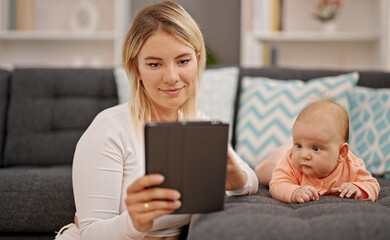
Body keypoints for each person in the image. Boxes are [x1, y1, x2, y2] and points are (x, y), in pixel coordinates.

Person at [55, 1, 258, 239]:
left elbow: (250, 179)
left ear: (197, 59)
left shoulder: (197, 125)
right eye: (154, 64)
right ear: (136, 68)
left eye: (183, 61)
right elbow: (90, 233)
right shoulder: (109, 130)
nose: (172, 77)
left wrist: (237, 179)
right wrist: (134, 223)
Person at [263, 98, 379, 204]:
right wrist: (294, 192)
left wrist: (358, 189)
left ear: (341, 153)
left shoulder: (352, 167)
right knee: (262, 173)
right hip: (277, 159)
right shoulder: (290, 160)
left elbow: (372, 184)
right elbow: (277, 184)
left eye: (316, 148)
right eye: (298, 145)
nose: (304, 155)